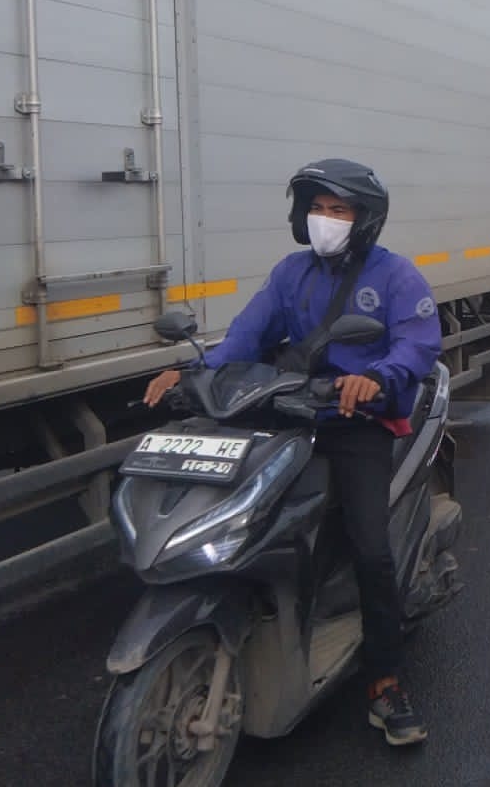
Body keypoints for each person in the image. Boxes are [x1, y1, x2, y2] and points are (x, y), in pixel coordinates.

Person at [143, 158, 441, 745]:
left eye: (339, 210)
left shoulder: (397, 276)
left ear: (364, 220)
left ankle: (384, 681)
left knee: (371, 548)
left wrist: (377, 376)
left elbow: (418, 345)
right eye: (317, 208)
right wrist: (187, 372)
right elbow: (243, 338)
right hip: (287, 410)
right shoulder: (289, 274)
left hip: (356, 421)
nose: (325, 219)